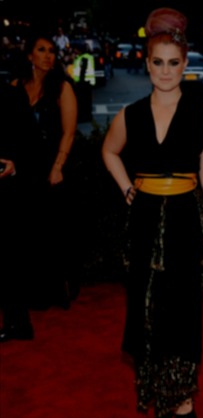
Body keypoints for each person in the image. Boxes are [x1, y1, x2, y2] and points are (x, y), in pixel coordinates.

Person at [100, 7, 203, 418]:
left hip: (187, 217)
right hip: (144, 218)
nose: (165, 71)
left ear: (185, 64)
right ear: (146, 62)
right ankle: (157, 388)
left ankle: (184, 396)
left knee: (184, 309)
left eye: (174, 62)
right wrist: (126, 187)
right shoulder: (131, 114)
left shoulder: (201, 113)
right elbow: (108, 151)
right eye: (158, 62)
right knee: (147, 308)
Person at [11, 32, 78, 310]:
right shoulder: (15, 87)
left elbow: (69, 132)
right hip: (22, 169)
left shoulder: (62, 87)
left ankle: (59, 290)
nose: (48, 55)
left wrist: (58, 167)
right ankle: (31, 292)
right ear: (29, 56)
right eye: (41, 49)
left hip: (53, 168)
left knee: (54, 233)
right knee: (26, 233)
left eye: (51, 50)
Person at [0, 82, 37, 342]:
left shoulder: (11, 95)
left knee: (8, 261)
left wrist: (16, 165)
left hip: (6, 192)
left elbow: (32, 142)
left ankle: (18, 325)